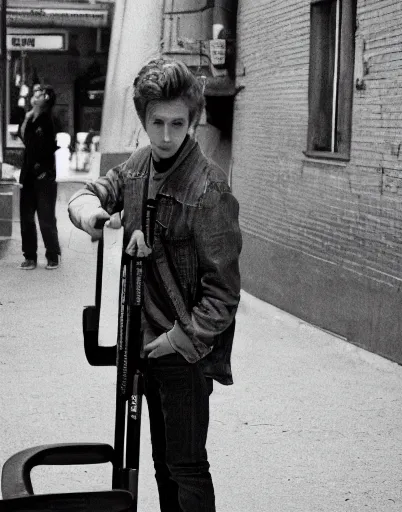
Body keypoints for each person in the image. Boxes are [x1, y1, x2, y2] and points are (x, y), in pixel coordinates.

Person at [68, 58, 242, 512]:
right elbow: (89, 194)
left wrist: (176, 340)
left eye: (177, 124)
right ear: (144, 119)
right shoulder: (140, 163)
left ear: (193, 121)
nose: (166, 136)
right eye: (157, 123)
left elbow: (223, 295)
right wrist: (96, 216)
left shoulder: (210, 190)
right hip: (142, 344)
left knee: (186, 467)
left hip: (183, 353)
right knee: (161, 462)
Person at [18, 83, 61, 270]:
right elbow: (24, 139)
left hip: (44, 176)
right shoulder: (30, 117)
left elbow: (49, 147)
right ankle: (30, 257)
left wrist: (44, 171)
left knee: (46, 218)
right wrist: (27, 119)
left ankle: (52, 256)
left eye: (41, 94)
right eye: (35, 93)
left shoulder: (49, 120)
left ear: (47, 99)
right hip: (28, 175)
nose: (36, 96)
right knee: (26, 219)